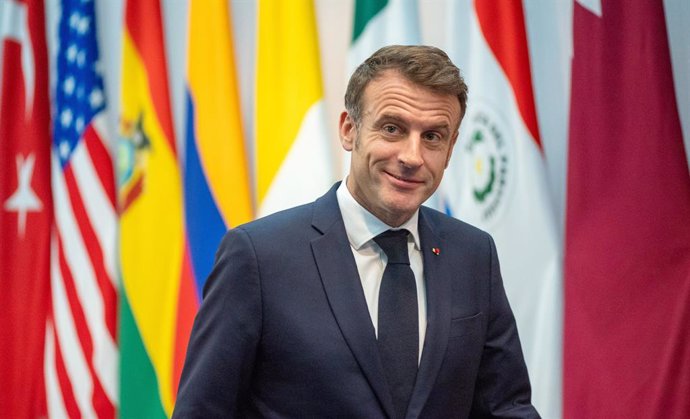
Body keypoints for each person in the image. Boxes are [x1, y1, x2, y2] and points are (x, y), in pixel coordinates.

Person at [172, 45, 540, 419]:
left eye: (432, 136)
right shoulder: (258, 257)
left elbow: (505, 406)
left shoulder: (473, 254)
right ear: (350, 130)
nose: (412, 156)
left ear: (450, 149)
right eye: (392, 128)